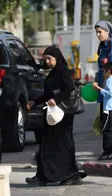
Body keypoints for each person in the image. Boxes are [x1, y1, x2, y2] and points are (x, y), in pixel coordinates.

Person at [26, 45, 85, 186]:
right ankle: (42, 176)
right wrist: (35, 102)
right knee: (48, 144)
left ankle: (71, 175)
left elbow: (69, 87)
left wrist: (56, 101)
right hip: (54, 114)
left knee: (62, 145)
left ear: (57, 58)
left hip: (62, 114)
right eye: (45, 59)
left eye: (49, 58)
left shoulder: (63, 70)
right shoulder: (54, 72)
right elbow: (48, 95)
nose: (47, 61)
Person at [93, 61, 112, 160]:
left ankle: (108, 152)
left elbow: (109, 94)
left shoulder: (109, 80)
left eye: (104, 72)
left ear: (108, 71)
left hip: (109, 110)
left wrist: (98, 89)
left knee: (108, 131)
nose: (103, 74)